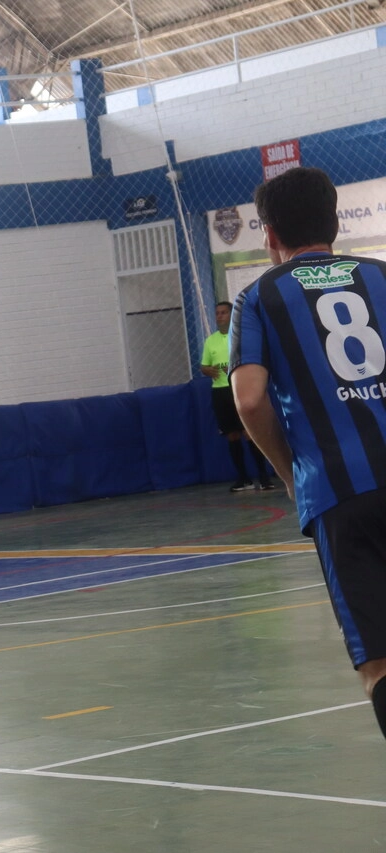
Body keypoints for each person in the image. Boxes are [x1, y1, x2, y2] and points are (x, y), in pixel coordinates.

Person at [231, 165, 386, 742]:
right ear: (335, 223)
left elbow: (249, 399)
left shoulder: (258, 297)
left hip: (339, 492)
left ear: (269, 234)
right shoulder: (381, 276)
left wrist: (289, 472)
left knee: (379, 662)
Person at [202, 300, 274, 492]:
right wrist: (208, 370)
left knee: (249, 433)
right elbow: (204, 366)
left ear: (232, 315)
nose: (219, 316)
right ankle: (243, 479)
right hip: (220, 391)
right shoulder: (210, 341)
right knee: (232, 435)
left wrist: (235, 368)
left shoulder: (241, 336)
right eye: (217, 313)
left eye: (223, 312)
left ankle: (264, 477)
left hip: (240, 388)